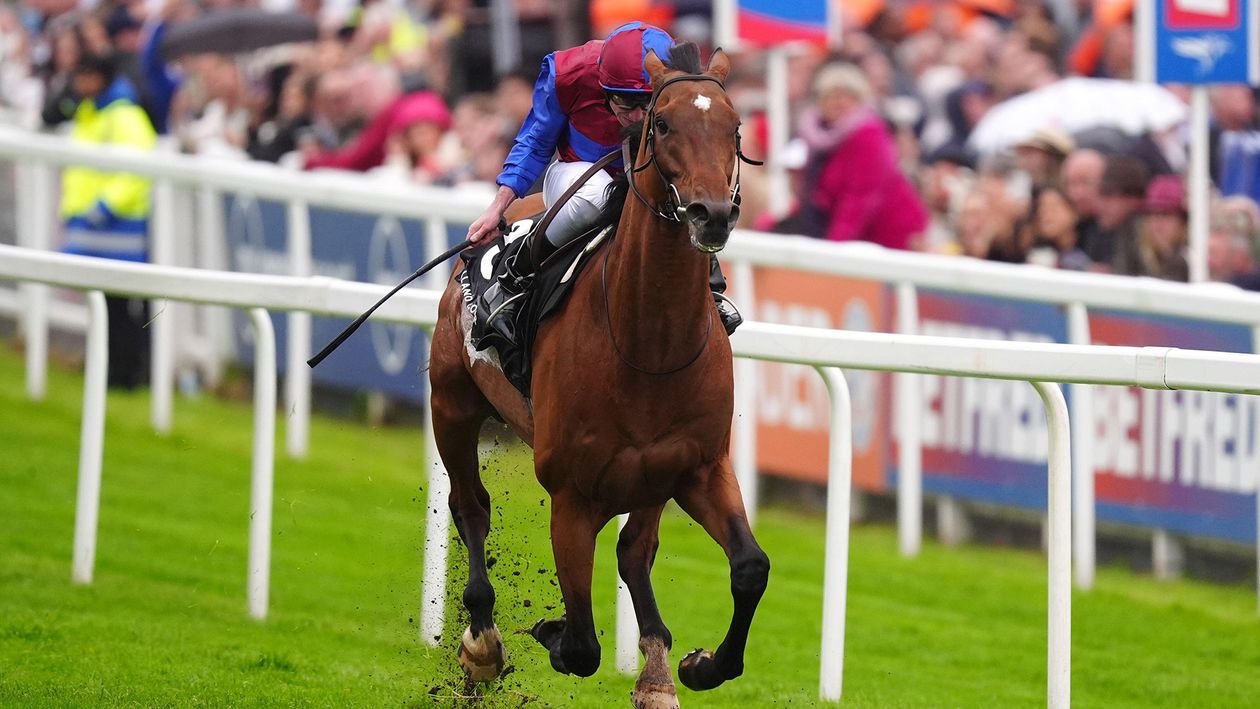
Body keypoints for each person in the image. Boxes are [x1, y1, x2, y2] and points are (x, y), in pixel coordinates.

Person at [464, 21, 742, 355]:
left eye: (646, 102)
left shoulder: (678, 77)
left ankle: (712, 290)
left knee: (679, 192)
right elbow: (536, 143)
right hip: (578, 171)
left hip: (644, 173)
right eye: (625, 104)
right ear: (602, 85)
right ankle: (512, 280)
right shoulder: (569, 73)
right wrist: (498, 207)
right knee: (596, 199)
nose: (638, 116)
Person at [59, 52, 158, 389]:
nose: (78, 83)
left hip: (117, 229)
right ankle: (105, 368)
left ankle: (125, 374)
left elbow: (138, 171)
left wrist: (103, 208)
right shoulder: (90, 111)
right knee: (100, 304)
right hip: (92, 228)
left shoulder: (124, 115)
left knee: (119, 309)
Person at [797, 61, 927, 250]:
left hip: (890, 233)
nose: (839, 102)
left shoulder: (868, 134)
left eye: (847, 96)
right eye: (831, 96)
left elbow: (859, 199)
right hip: (854, 233)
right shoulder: (820, 139)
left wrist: (833, 251)